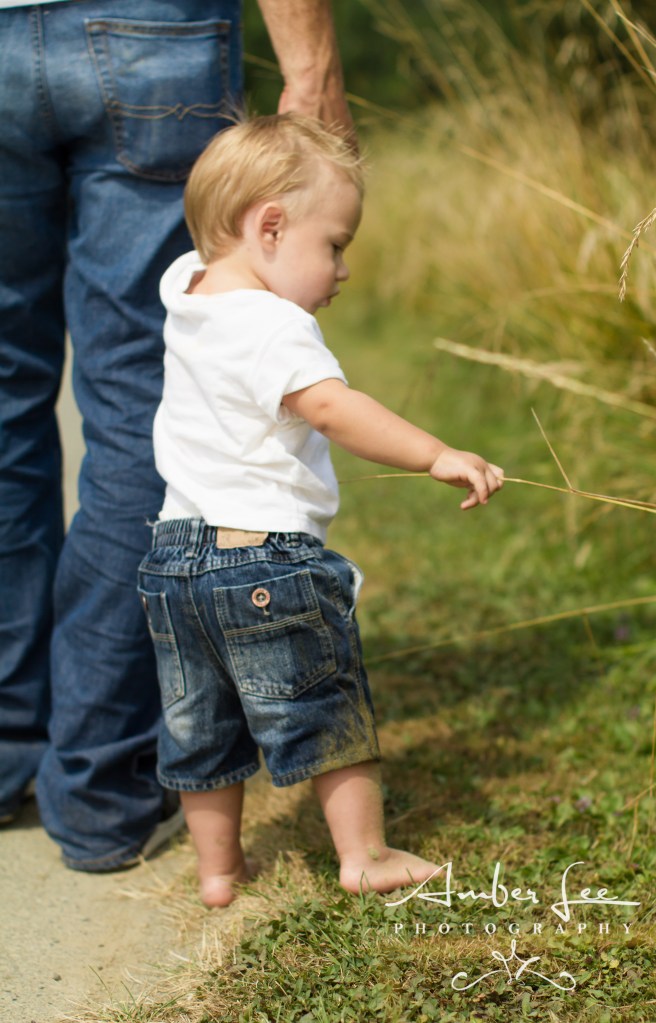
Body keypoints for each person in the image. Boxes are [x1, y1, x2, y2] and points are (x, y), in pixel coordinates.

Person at [0, 0, 354, 871]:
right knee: (136, 409)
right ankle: (98, 790)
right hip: (145, 30)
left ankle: (7, 752)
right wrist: (310, 70)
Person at [138, 114, 505, 908]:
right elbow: (333, 408)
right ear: (269, 228)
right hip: (263, 557)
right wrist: (434, 453)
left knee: (199, 725)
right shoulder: (273, 323)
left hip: (171, 561)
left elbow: (210, 241)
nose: (343, 269)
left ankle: (218, 871)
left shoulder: (186, 293)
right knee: (324, 705)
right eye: (335, 244)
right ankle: (364, 854)